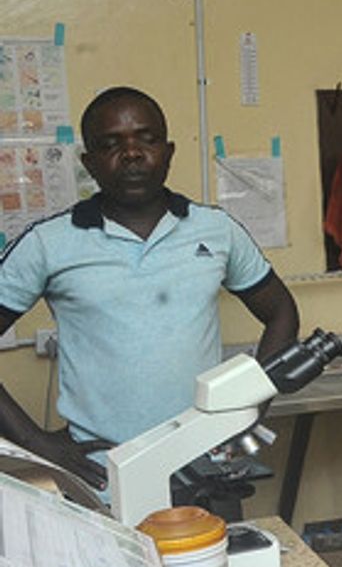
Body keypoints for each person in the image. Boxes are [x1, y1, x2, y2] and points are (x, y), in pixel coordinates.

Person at [0, 86, 299, 490]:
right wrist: (35, 442)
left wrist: (252, 404)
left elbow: (281, 312)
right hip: (105, 477)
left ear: (169, 151)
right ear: (89, 163)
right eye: (111, 144)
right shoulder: (48, 244)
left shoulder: (217, 230)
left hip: (205, 466)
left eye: (147, 139)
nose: (132, 153)